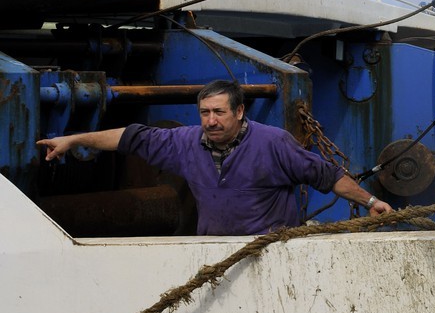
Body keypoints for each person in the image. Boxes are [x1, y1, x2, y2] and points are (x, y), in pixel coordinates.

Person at [36, 78, 393, 235]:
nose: (211, 120)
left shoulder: (274, 143)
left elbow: (327, 176)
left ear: (239, 112)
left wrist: (371, 200)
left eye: (219, 112)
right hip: (211, 253)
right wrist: (74, 139)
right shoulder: (185, 143)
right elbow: (130, 137)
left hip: (269, 254)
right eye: (205, 112)